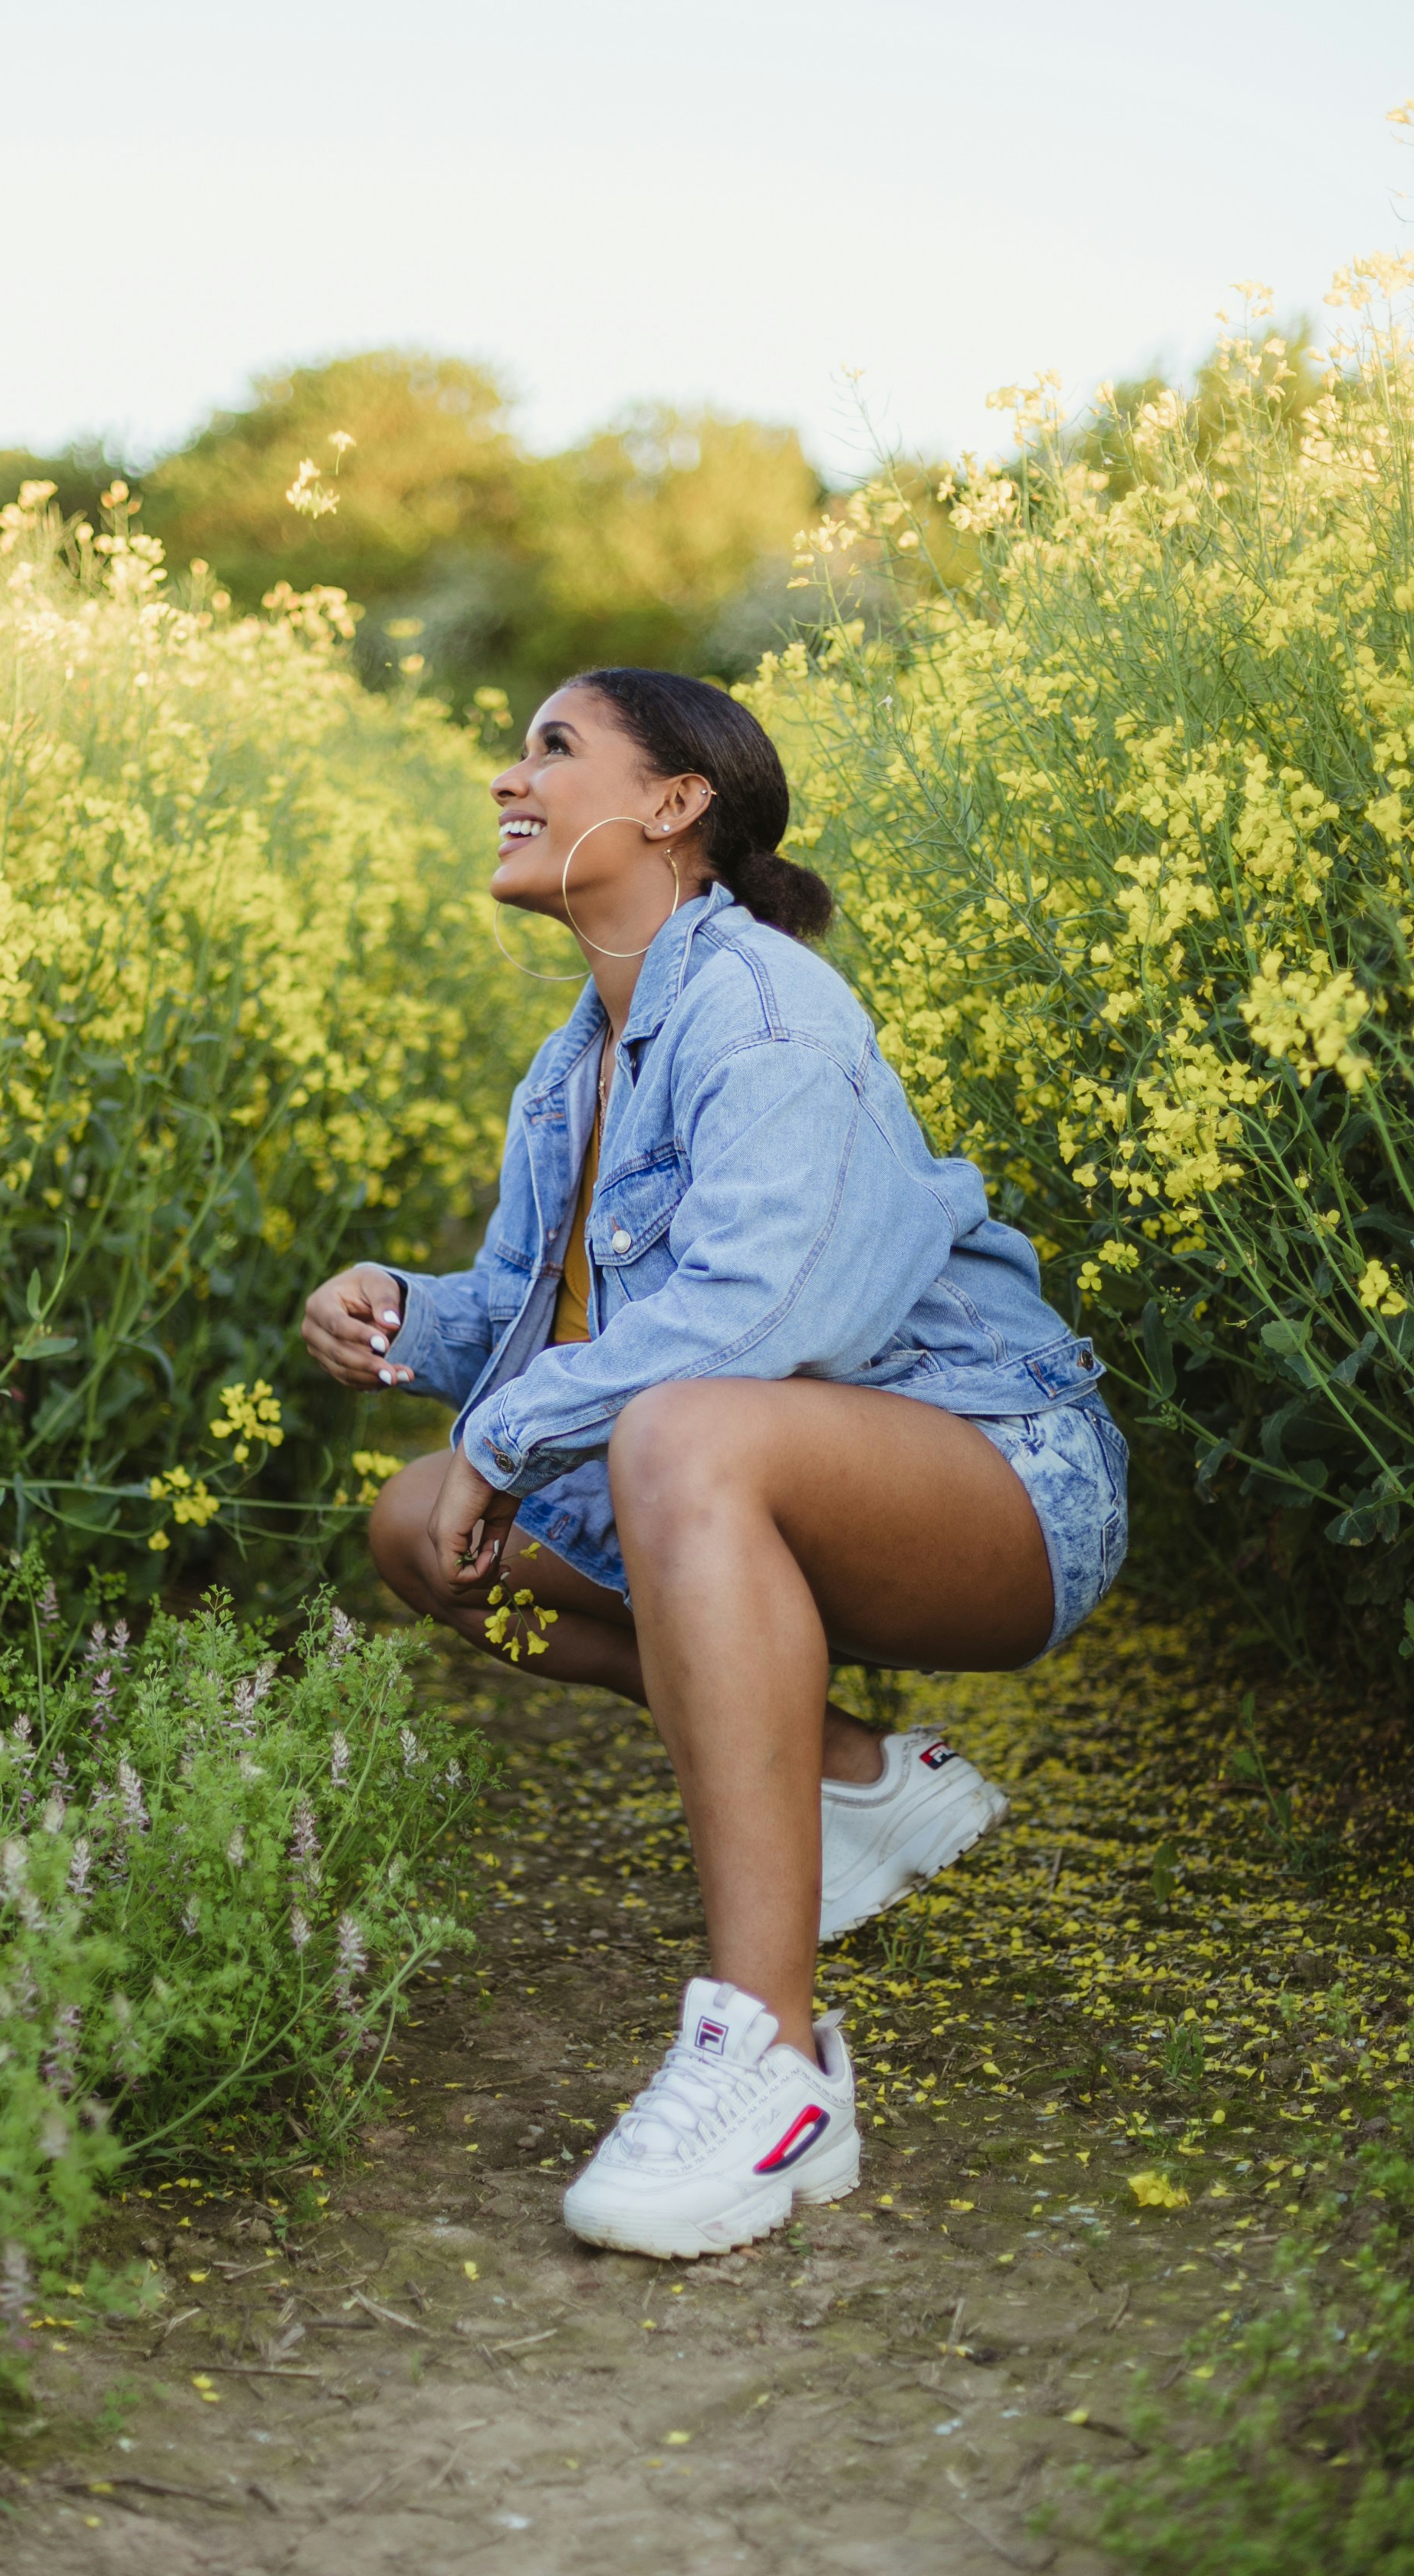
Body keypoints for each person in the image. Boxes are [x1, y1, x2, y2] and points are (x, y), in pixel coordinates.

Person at [302, 669, 1128, 2261]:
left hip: (999, 1481)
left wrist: (507, 1430)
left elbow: (754, 1312)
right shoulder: (574, 1065)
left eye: (553, 747)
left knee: (676, 1425)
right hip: (776, 1473)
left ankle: (770, 2057)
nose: (507, 775)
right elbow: (557, 1323)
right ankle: (848, 1780)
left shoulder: (764, 1013)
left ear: (675, 804)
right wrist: (402, 1317)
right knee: (418, 1527)